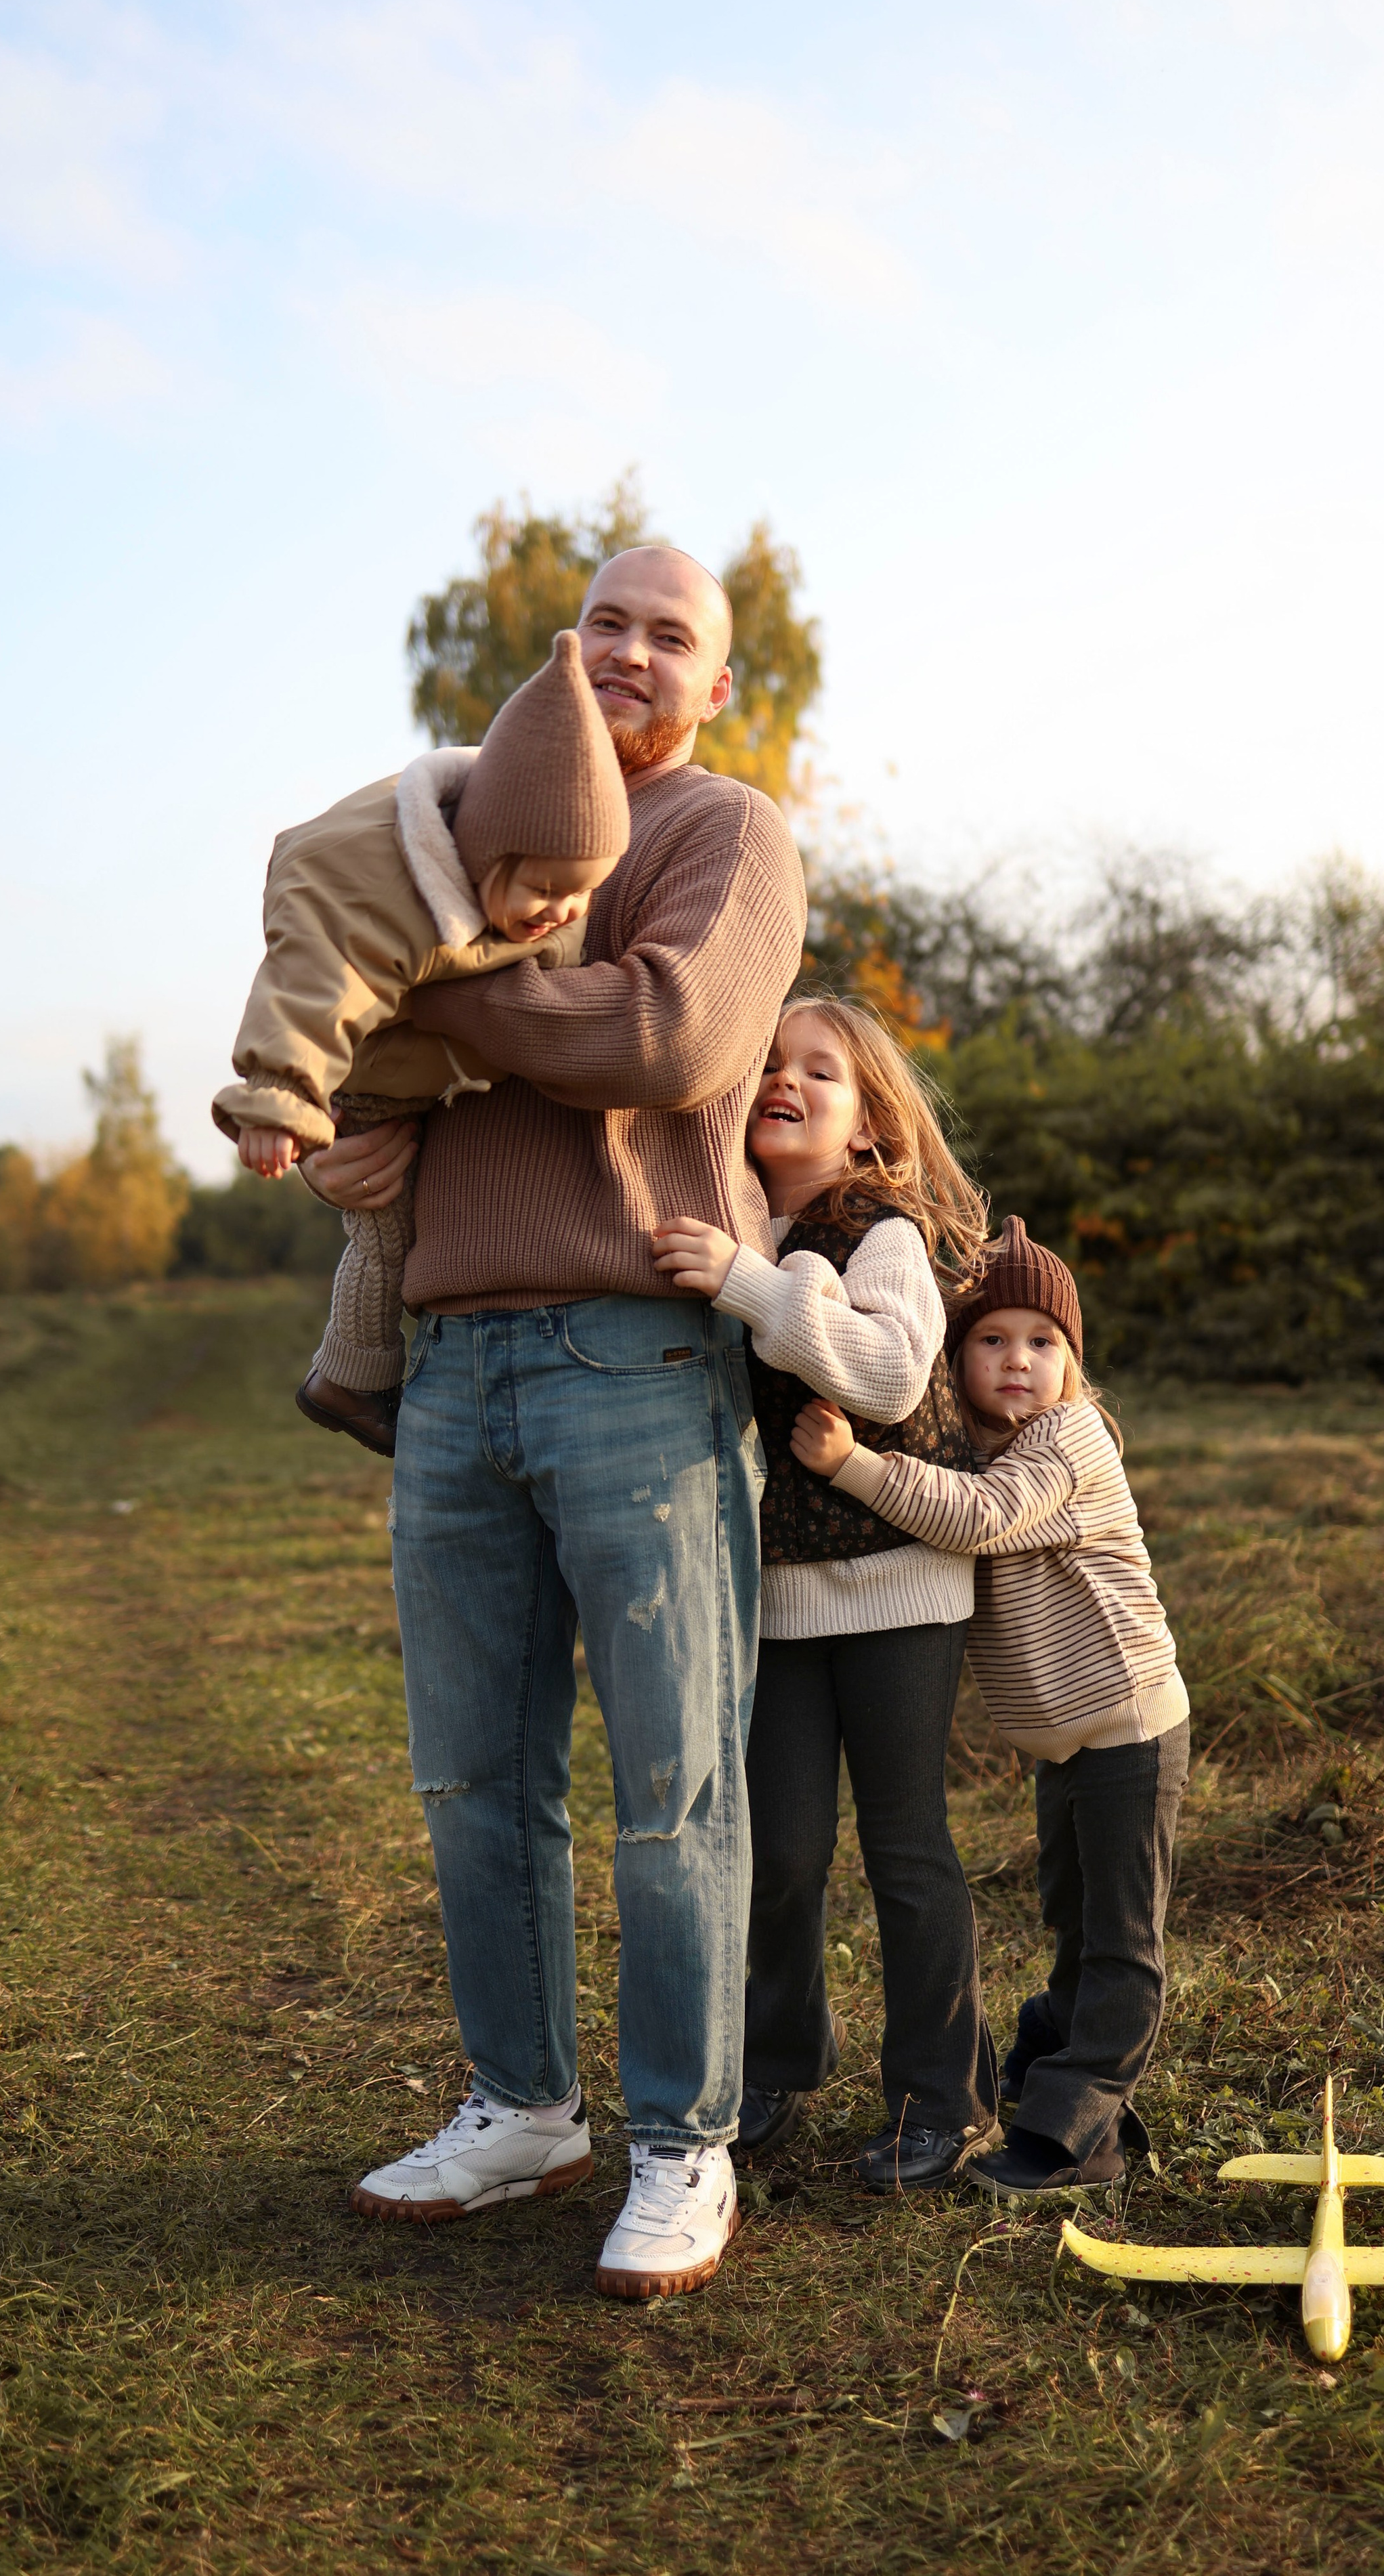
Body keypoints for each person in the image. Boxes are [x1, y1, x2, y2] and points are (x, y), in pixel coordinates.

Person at [316, 546, 806, 2300]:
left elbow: (667, 1036)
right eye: (607, 621)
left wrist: (435, 1002)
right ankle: (525, 2108)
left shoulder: (721, 835)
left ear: (717, 684)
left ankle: (685, 2142)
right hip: (453, 1364)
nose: (632, 651)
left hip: (634, 1363)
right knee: (472, 1778)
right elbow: (350, 1029)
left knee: (673, 1790)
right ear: (564, 646)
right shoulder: (458, 836)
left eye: (672, 635)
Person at [651, 995, 1002, 2189]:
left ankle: (940, 2099)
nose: (786, 1084)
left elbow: (896, 1374)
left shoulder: (879, 1233)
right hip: (784, 1599)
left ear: (869, 1131)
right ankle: (776, 2064)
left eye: (822, 1072)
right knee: (783, 1850)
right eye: (770, 1068)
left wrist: (754, 1284)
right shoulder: (740, 1226)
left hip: (905, 1587)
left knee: (906, 1847)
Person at [792, 1216, 1189, 2195]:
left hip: (1132, 1724)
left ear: (1072, 1363)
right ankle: (1049, 2055)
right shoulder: (979, 1443)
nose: (1019, 1361)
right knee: (1073, 1915)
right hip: (1067, 1748)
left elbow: (978, 1516)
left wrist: (850, 1464)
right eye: (991, 1340)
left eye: (1043, 1342)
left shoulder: (1068, 1439)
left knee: (1123, 1938)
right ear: (952, 1355)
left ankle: (1081, 2128)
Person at [211, 632, 628, 1457]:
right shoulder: (379, 894)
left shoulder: (537, 872)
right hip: (368, 1082)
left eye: (583, 892)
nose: (564, 912)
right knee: (384, 1229)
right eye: (545, 889)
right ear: (479, 855)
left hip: (421, 1072)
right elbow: (309, 983)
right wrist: (280, 1102)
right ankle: (350, 1377)